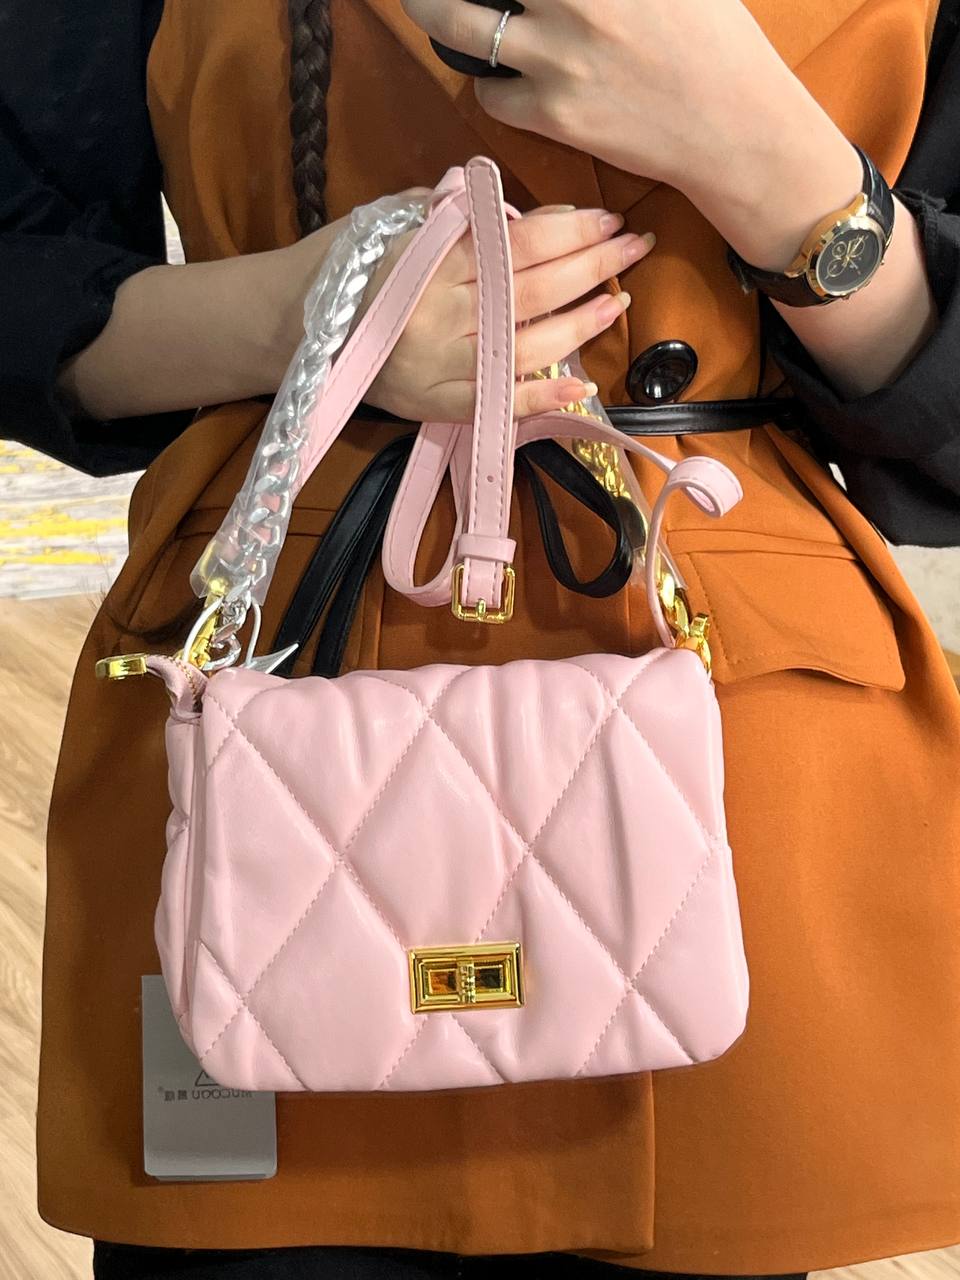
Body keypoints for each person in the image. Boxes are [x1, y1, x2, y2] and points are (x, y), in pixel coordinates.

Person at [2, 0, 960, 1277]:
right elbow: (23, 283)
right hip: (277, 742)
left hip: (745, 777)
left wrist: (769, 160)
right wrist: (305, 315)